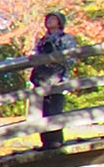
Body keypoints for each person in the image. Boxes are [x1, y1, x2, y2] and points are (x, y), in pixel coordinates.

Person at [30, 10, 75, 151]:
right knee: (43, 111)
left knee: (55, 109)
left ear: (60, 22)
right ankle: (46, 142)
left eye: (53, 19)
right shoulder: (42, 40)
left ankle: (56, 140)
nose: (49, 21)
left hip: (58, 78)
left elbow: (72, 58)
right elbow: (36, 57)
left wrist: (56, 55)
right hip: (43, 78)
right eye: (48, 19)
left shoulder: (66, 39)